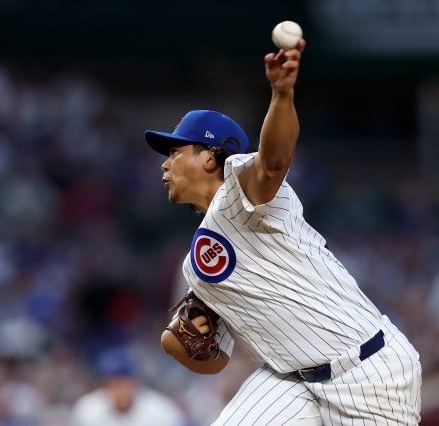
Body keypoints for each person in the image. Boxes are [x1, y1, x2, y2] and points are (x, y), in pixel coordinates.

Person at [145, 38, 422, 424]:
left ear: (210, 156)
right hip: (289, 380)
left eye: (175, 152)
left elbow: (273, 162)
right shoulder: (196, 266)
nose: (164, 165)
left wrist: (281, 93)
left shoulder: (242, 190)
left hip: (369, 371)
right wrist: (188, 348)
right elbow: (216, 362)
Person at [69, 348, 187, 426]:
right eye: (114, 383)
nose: (120, 389)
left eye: (124, 382)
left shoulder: (162, 411)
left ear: (135, 382)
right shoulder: (87, 410)